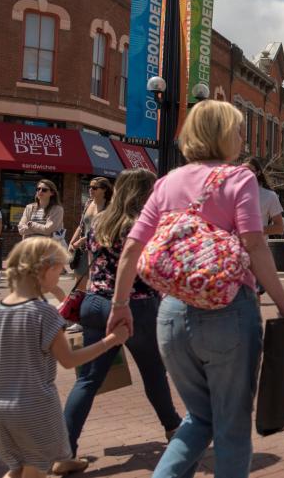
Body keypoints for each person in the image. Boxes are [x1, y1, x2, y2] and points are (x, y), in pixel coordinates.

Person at [106, 100, 284, 478]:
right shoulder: (239, 177)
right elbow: (255, 243)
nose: (243, 138)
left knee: (199, 417)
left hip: (173, 315)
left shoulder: (165, 183)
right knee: (230, 423)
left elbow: (132, 247)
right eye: (239, 130)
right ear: (223, 133)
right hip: (228, 312)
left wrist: (120, 304)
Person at [57, 170, 182, 475]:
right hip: (135, 305)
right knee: (153, 373)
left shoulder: (97, 221)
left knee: (88, 380)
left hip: (94, 304)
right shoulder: (142, 225)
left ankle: (63, 449)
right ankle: (173, 428)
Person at [0, 237, 128, 478]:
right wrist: (111, 340)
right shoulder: (44, 313)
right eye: (59, 272)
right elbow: (69, 360)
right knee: (35, 470)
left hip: (0, 408)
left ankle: (67, 460)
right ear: (45, 270)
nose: (59, 279)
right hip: (35, 408)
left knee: (15, 469)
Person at [67, 177, 112, 294]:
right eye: (89, 187)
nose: (90, 190)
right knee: (79, 286)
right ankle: (78, 311)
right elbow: (81, 225)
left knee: (95, 284)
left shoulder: (110, 207)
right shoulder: (88, 203)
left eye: (94, 188)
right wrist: (72, 242)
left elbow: (106, 231)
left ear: (104, 190)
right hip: (83, 250)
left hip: (99, 251)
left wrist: (83, 240)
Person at [243, 157, 284, 241]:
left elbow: (280, 228)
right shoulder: (233, 192)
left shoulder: (269, 195)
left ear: (258, 173)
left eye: (249, 171)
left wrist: (255, 231)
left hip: (257, 249)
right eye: (242, 170)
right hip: (234, 250)